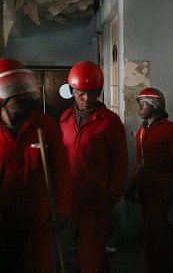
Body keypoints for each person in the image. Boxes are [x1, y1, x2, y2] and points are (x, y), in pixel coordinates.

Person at [0, 58, 71, 273]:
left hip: (38, 224)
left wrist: (62, 211)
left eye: (24, 90)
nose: (23, 97)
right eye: (15, 91)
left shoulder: (43, 125)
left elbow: (61, 170)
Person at [60, 61, 128, 273]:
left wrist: (112, 195)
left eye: (92, 93)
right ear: (72, 90)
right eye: (81, 93)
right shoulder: (64, 119)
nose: (87, 99)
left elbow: (120, 161)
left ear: (99, 92)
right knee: (90, 249)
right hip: (71, 198)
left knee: (86, 254)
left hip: (97, 199)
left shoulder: (110, 122)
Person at [125, 87, 173, 273]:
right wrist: (131, 187)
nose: (140, 108)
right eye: (140, 104)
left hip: (163, 185)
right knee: (151, 227)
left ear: (156, 106)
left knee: (157, 227)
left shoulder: (170, 130)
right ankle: (153, 263)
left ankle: (164, 265)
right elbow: (140, 162)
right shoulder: (141, 132)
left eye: (144, 104)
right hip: (146, 185)